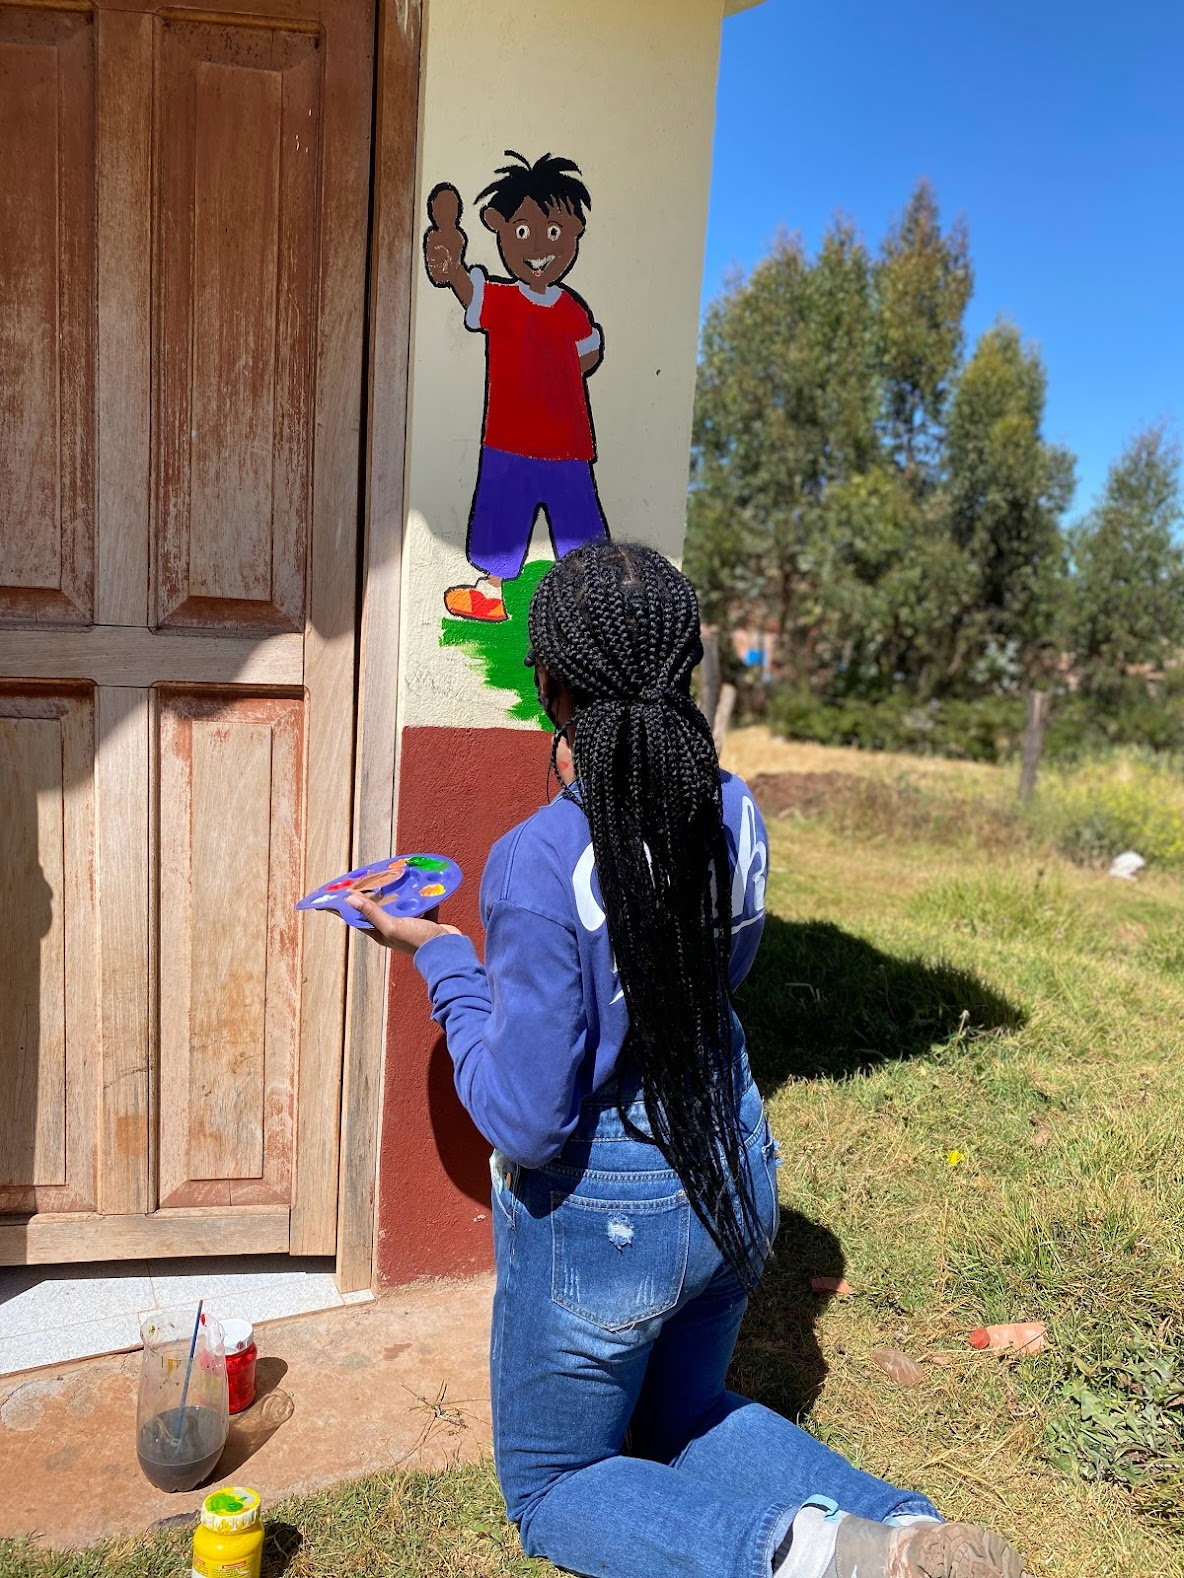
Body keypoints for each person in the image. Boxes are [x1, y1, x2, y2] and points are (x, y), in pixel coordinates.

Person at [348, 543, 1031, 1578]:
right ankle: (903, 1536)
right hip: (730, 1164)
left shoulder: (536, 860)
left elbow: (526, 1120)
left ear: (552, 686)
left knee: (554, 1488)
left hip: (610, 1214)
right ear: (687, 667)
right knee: (688, 1411)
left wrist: (444, 959)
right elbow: (723, 970)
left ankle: (804, 1556)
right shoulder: (737, 808)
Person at [423, 152, 609, 624]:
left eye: (555, 232)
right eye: (523, 231)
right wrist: (450, 263)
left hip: (567, 443)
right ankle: (490, 591)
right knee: (501, 515)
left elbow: (588, 352)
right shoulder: (503, 300)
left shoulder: (570, 308)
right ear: (498, 226)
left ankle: (589, 600)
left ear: (575, 232)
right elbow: (467, 288)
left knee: (578, 525)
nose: (540, 245)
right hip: (509, 438)